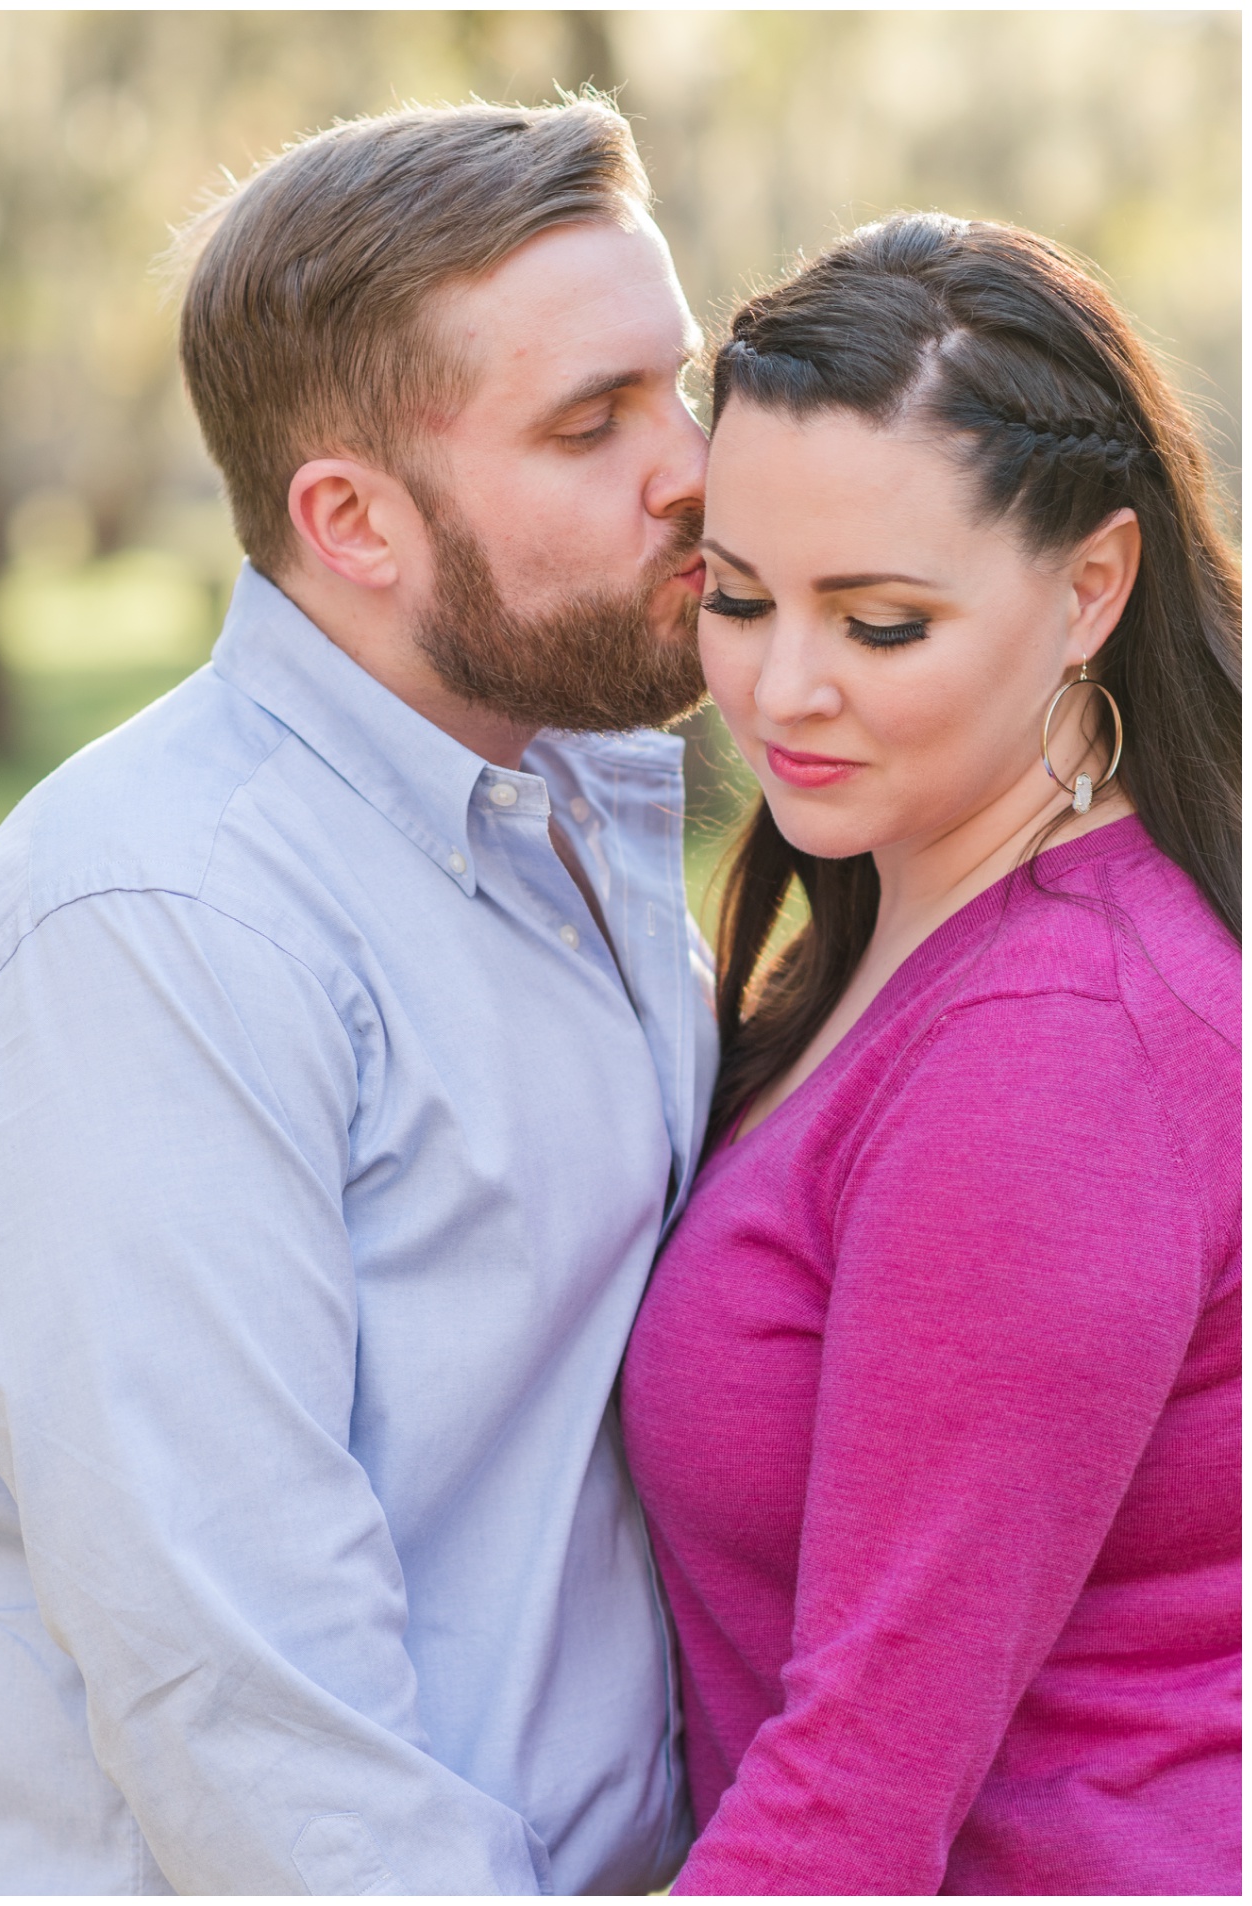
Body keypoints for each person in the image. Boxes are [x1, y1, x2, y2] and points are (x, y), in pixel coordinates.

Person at [0, 99, 718, 1896]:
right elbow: (246, 1698)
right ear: (352, 521)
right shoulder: (165, 919)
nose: (691, 466)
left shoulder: (596, 798)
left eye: (677, 384)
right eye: (590, 422)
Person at [622, 213, 1240, 1896]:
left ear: (1091, 585)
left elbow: (854, 1804)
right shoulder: (911, 915)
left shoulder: (1055, 1058)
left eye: (881, 622)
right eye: (737, 598)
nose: (783, 687)